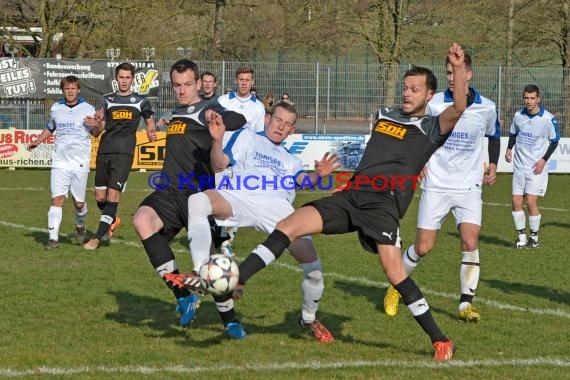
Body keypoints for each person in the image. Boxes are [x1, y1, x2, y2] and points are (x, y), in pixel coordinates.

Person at [234, 43, 468, 362]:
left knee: (394, 272)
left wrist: (457, 70)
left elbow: (458, 107)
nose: (407, 93)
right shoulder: (384, 114)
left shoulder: (431, 127)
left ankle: (441, 340)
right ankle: (238, 278)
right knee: (288, 225)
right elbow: (375, 156)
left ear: (429, 95)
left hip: (383, 205)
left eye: (415, 89)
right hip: (352, 195)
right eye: (405, 87)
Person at [166, 102, 339, 341]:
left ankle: (309, 319)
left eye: (287, 125)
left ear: (292, 130)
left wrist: (318, 176)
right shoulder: (246, 137)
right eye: (278, 120)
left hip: (278, 208)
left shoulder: (291, 159)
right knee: (198, 200)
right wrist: (217, 141)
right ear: (268, 119)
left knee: (315, 271)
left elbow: (305, 182)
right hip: (241, 197)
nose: (281, 127)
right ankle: (201, 272)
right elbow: (218, 164)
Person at [383, 52, 501, 323]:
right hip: (436, 184)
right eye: (448, 73)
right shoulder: (434, 103)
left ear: (468, 74)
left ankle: (465, 305)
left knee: (470, 241)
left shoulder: (487, 107)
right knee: (424, 247)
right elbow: (414, 130)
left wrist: (492, 164)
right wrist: (417, 160)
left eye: (456, 73)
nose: (451, 78)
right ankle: (394, 287)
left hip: (469, 186)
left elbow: (493, 135)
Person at [131, 59, 246, 329]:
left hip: (197, 197)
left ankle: (230, 322)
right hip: (169, 191)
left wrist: (217, 118)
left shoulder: (209, 107)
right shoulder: (175, 112)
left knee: (209, 269)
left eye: (187, 85)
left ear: (197, 84)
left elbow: (237, 119)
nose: (182, 90)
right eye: (177, 85)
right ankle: (183, 296)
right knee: (141, 221)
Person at [83, 62, 157, 250]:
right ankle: (112, 220)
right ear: (116, 79)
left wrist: (151, 132)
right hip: (104, 151)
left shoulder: (141, 101)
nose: (124, 81)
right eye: (121, 77)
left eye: (127, 77)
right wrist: (96, 123)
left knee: (113, 195)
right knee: (100, 197)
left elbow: (150, 122)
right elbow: (97, 133)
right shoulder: (107, 99)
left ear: (132, 79)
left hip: (124, 154)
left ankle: (97, 238)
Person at [27, 75, 103, 249]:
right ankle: (53, 239)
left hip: (79, 163)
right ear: (63, 91)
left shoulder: (87, 108)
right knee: (57, 199)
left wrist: (97, 124)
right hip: (60, 162)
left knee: (79, 203)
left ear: (78, 90)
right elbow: (50, 127)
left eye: (73, 88)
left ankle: (80, 223)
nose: (70, 91)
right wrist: (37, 141)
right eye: (66, 88)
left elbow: (96, 133)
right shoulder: (56, 108)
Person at [216, 66, 267, 255]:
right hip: (221, 158)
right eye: (241, 79)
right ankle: (217, 236)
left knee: (236, 201)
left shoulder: (258, 107)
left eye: (248, 80)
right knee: (219, 198)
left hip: (244, 162)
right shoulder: (222, 101)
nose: (244, 83)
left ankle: (226, 242)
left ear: (252, 82)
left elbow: (260, 136)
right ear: (236, 81)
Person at [505, 84, 560, 249]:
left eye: (532, 98)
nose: (528, 101)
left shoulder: (547, 119)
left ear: (538, 99)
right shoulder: (518, 115)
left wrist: (543, 160)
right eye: (526, 98)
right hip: (519, 166)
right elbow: (513, 133)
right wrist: (509, 148)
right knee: (515, 202)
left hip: (536, 168)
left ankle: (534, 239)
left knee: (530, 202)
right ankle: (522, 239)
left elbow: (555, 140)